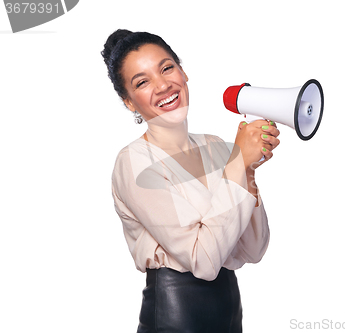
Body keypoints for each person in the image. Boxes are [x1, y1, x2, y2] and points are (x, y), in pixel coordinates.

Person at [102, 29, 280, 332]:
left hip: (228, 312)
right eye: (142, 82)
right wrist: (237, 164)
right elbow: (205, 261)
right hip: (175, 316)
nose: (162, 85)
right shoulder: (134, 162)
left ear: (183, 72)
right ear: (129, 102)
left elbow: (253, 249)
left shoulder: (214, 146)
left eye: (167, 68)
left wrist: (247, 172)